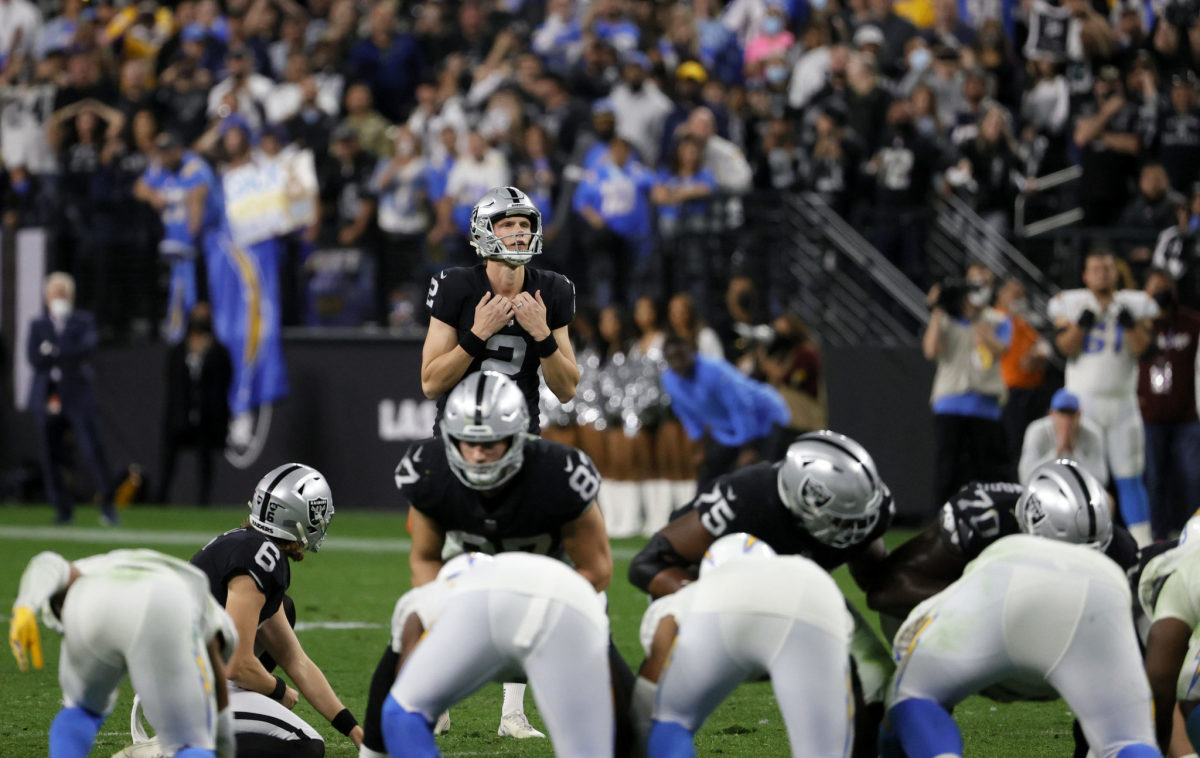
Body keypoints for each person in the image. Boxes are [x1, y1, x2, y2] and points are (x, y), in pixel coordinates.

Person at [377, 370, 614, 746]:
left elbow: (598, 570)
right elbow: (424, 559)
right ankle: (384, 739)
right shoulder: (430, 469)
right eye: (467, 442)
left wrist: (540, 604)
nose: (477, 454)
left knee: (624, 722)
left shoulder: (558, 474)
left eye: (490, 443)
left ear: (517, 437)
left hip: (551, 597)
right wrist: (442, 605)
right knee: (408, 618)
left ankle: (515, 713)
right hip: (471, 592)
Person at [629, 430, 895, 758]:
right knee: (660, 693)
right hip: (712, 587)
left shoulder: (866, 514)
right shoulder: (747, 497)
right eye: (842, 519)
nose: (856, 531)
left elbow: (877, 580)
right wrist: (704, 598)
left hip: (798, 595)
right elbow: (647, 564)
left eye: (860, 520)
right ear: (802, 497)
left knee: (878, 679)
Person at [883, 533, 1158, 758]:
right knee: (1127, 741)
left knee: (909, 695)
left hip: (1006, 576)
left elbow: (910, 685)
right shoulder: (1119, 547)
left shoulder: (938, 609)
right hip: (1104, 582)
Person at [185, 462, 363, 756]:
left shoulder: (249, 546)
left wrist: (354, 730)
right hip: (184, 687)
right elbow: (237, 664)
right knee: (305, 747)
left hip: (184, 675)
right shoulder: (261, 558)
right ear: (296, 517)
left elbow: (296, 660)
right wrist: (277, 689)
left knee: (285, 610)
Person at [9, 548, 238, 758]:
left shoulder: (90, 569)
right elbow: (218, 698)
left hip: (89, 601)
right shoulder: (208, 613)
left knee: (81, 711)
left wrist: (25, 605)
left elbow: (47, 562)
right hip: (165, 600)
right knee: (188, 744)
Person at [640, 534, 854, 758]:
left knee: (671, 722)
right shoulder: (803, 574)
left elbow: (648, 696)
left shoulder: (698, 591)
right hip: (808, 592)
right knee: (823, 752)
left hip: (714, 607)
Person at [380, 552, 613, 758]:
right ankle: (439, 709)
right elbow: (399, 699)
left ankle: (512, 714)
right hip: (505, 587)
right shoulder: (423, 604)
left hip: (549, 602)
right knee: (403, 713)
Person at [866, 460, 1139, 625]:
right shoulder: (982, 519)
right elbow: (885, 590)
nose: (1077, 565)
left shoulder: (1116, 546)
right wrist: (983, 604)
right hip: (974, 630)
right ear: (1029, 524)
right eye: (1068, 552)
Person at [420, 186, 579, 435]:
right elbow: (431, 384)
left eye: (525, 225)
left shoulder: (553, 289)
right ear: (483, 230)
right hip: (458, 437)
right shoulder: (455, 286)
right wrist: (478, 334)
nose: (519, 232)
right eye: (508, 224)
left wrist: (543, 335)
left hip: (521, 440)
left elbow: (567, 391)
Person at [1048, 250, 1158, 544]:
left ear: (1116, 272)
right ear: (1085, 275)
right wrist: (1082, 324)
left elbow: (1144, 350)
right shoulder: (1070, 303)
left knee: (1130, 476)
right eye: (1096, 269)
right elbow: (1064, 348)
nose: (1102, 274)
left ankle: (1142, 545)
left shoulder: (1136, 303)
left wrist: (1130, 324)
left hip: (1123, 402)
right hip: (1083, 405)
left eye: (1107, 268)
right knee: (1083, 479)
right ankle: (1079, 540)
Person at [26, 271, 119, 526]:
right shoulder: (38, 325)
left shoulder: (83, 321)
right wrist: (63, 352)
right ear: (46, 298)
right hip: (48, 396)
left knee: (92, 449)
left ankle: (108, 505)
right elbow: (34, 359)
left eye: (63, 293)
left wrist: (54, 350)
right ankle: (62, 509)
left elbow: (86, 348)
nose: (58, 298)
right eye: (54, 293)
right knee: (50, 455)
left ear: (71, 296)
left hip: (78, 395)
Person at [923, 266, 1013, 507]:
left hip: (986, 405)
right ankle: (940, 523)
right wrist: (937, 308)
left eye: (984, 283)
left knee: (987, 471)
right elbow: (930, 350)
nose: (978, 289)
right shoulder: (947, 319)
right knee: (948, 470)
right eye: (974, 283)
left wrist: (978, 325)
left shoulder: (998, 319)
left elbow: (1001, 352)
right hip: (950, 402)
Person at [660, 333, 790, 489]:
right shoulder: (669, 380)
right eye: (671, 357)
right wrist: (699, 447)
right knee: (708, 477)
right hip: (727, 429)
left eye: (681, 355)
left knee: (763, 477)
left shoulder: (714, 371)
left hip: (764, 419)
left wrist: (747, 448)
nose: (677, 362)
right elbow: (687, 414)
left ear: (691, 351)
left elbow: (741, 407)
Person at [1140, 269, 1200, 540]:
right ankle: (1159, 536)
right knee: (1154, 480)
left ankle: (1194, 533)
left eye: (1166, 288)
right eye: (1155, 289)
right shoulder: (1139, 325)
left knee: (1193, 476)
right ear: (1146, 294)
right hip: (1150, 416)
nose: (1161, 294)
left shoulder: (1191, 322)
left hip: (1187, 415)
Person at [157, 302, 232, 505]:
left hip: (206, 418)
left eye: (204, 315)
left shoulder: (218, 351)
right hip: (180, 414)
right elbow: (172, 382)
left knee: (205, 461)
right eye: (197, 314)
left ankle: (203, 502)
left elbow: (224, 383)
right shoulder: (179, 351)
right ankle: (159, 500)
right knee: (168, 460)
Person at [1018, 389, 1108, 485]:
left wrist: (1074, 452)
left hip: (1081, 487)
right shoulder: (1037, 431)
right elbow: (1025, 477)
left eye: (1071, 415)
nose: (1066, 421)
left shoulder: (1093, 433)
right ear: (1051, 413)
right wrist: (1057, 452)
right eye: (1062, 414)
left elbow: (1101, 479)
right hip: (1047, 487)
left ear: (1079, 415)